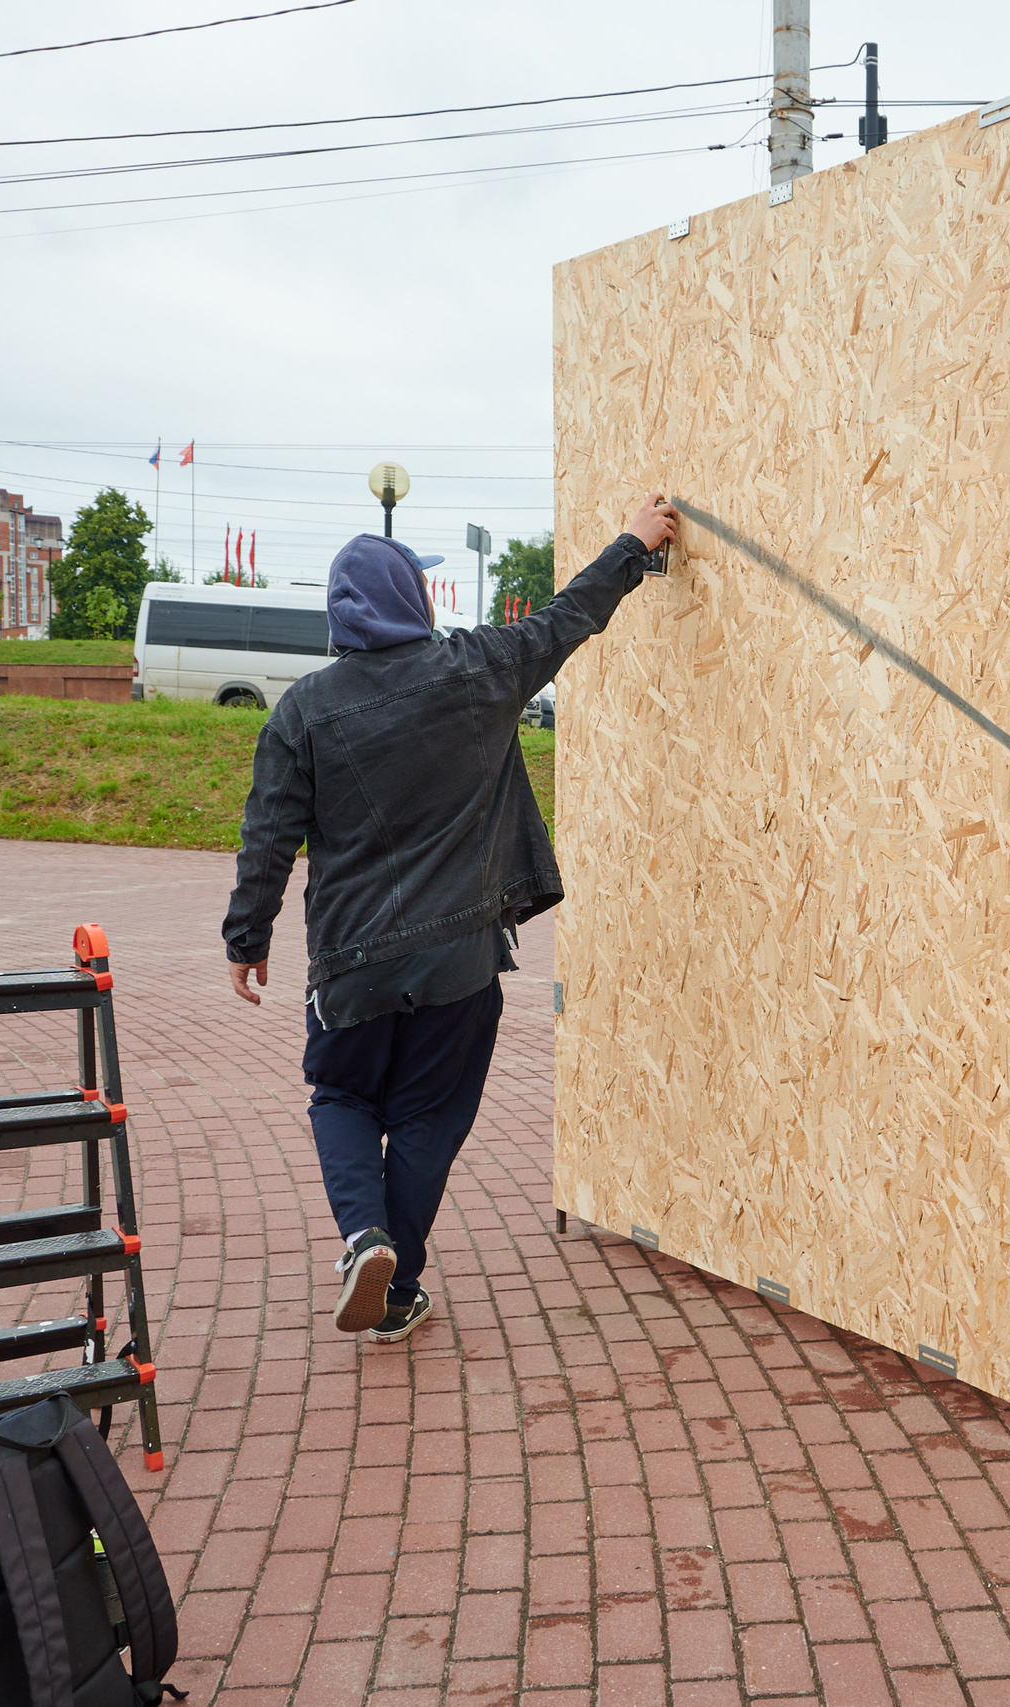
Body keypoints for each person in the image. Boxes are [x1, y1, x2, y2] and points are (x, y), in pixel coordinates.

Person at [222, 494, 681, 1341]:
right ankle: (397, 1286)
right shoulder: (477, 668)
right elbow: (565, 619)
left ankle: (366, 1238)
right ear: (414, 601)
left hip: (352, 965)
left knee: (342, 1095)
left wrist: (247, 939)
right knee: (430, 1116)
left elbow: (268, 837)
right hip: (460, 959)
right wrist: (634, 545)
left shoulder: (301, 712)